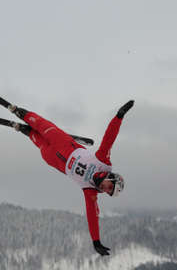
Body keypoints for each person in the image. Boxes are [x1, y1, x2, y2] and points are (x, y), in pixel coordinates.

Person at [9, 100, 134, 256]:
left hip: (54, 159)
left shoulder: (91, 192)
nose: (105, 189)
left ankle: (25, 131)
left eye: (108, 192)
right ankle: (19, 112)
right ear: (112, 178)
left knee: (41, 145)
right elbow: (109, 138)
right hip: (64, 142)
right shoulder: (103, 162)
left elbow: (92, 216)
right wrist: (119, 116)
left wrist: (96, 241)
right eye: (109, 187)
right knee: (43, 125)